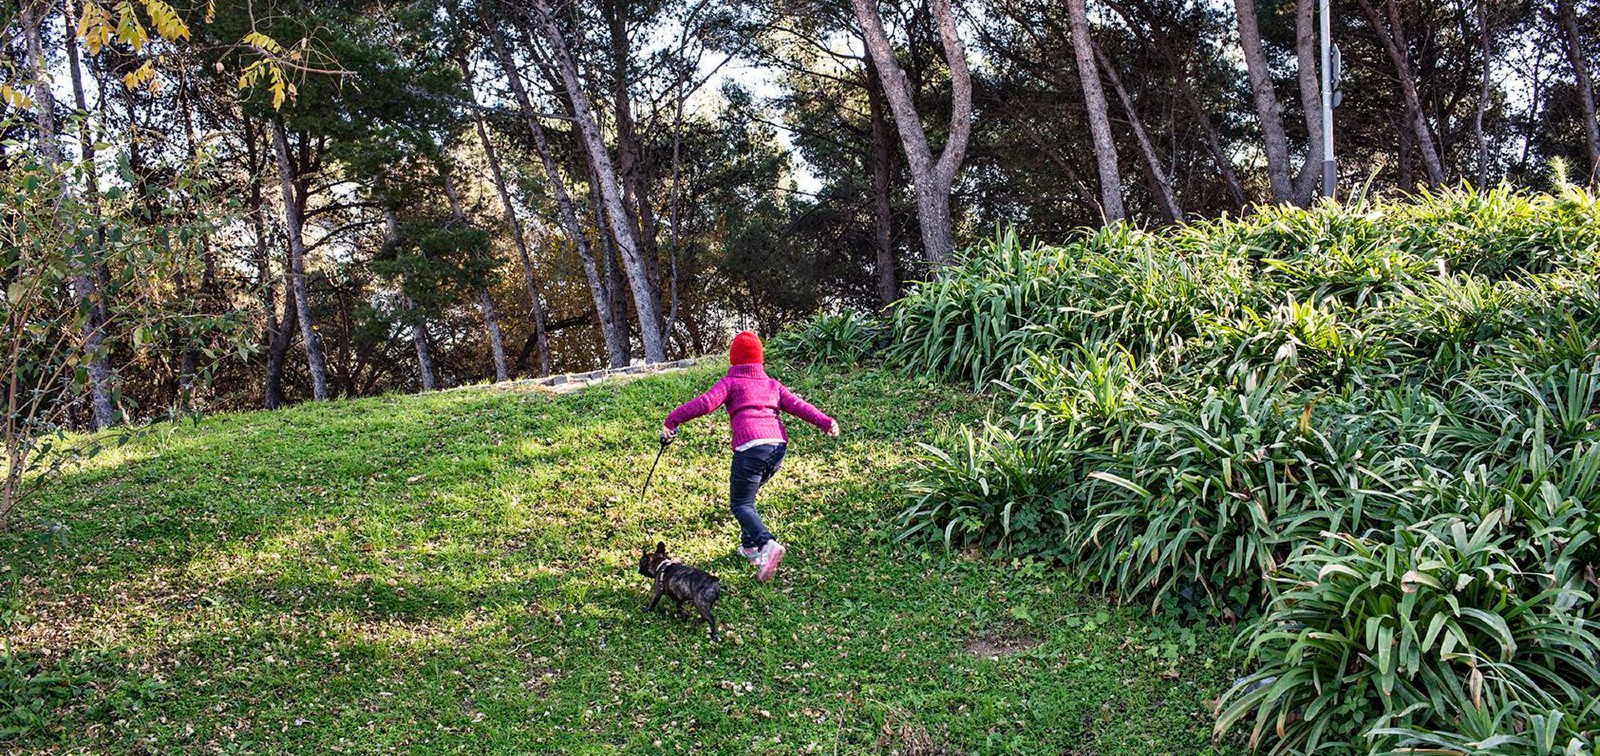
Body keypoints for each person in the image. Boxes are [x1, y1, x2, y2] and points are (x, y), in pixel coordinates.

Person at [661, 331, 839, 582]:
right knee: (748, 498)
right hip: (777, 448)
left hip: (751, 447)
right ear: (759, 359)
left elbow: (705, 403)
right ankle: (750, 547)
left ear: (733, 359)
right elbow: (799, 405)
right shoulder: (771, 384)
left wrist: (672, 419)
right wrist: (826, 422)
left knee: (740, 504)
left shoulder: (731, 382)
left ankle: (767, 544)